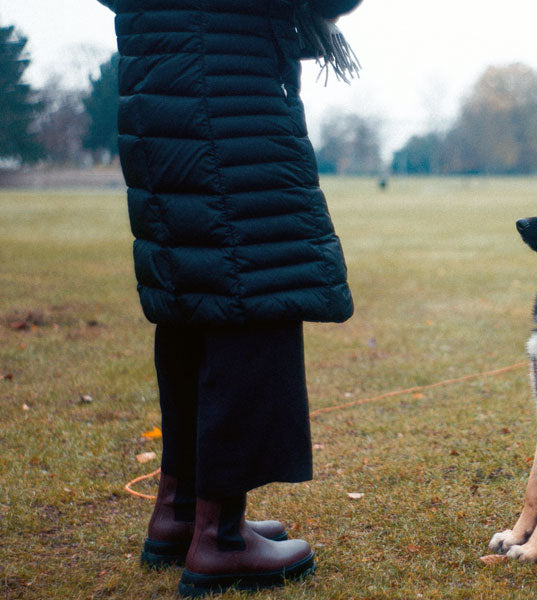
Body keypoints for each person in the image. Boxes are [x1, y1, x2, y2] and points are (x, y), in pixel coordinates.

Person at [96, 0, 361, 595]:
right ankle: (222, 539)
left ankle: (183, 512)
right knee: (254, 291)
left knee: (199, 292)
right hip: (226, 90)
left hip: (159, 82)